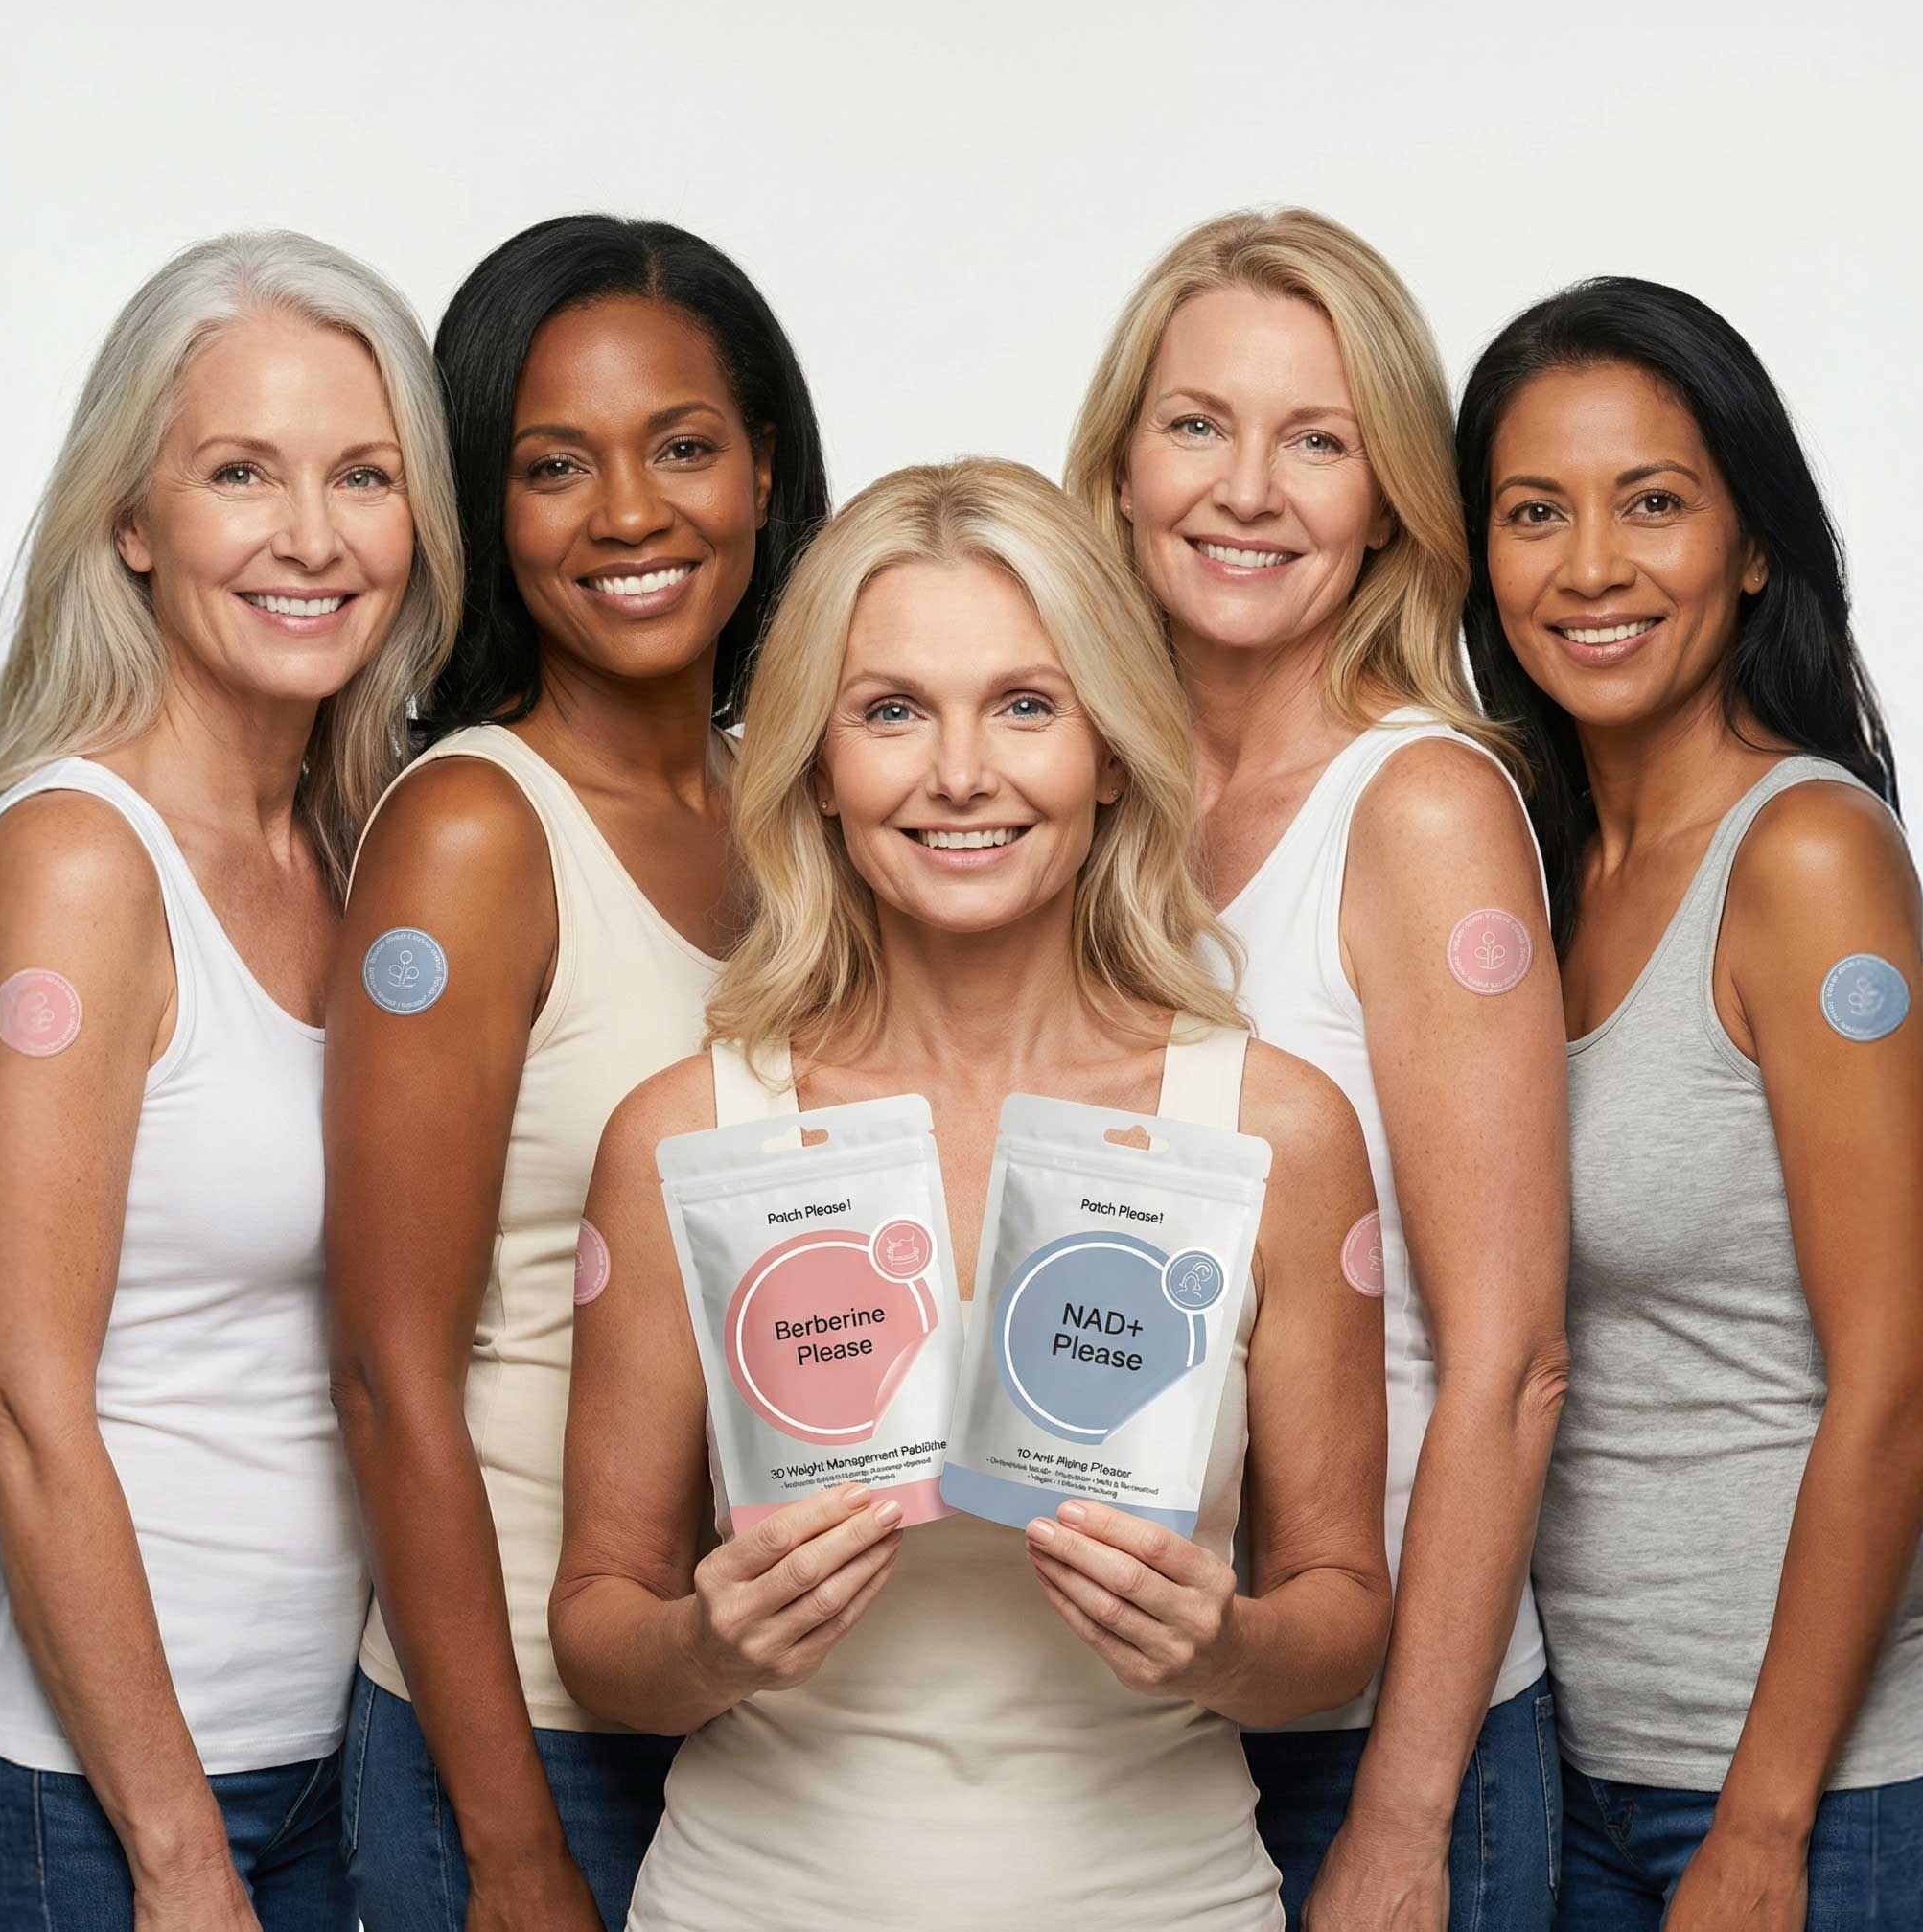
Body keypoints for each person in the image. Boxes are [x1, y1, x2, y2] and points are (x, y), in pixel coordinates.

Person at [550, 458, 1393, 1932]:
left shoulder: (1273, 1131)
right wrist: (707, 1649)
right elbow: (599, 1623)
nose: (959, 775)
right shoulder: (687, 1136)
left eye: (1025, 705)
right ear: (817, 766)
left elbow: (1342, 1612)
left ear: (1112, 749)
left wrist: (1225, 1647)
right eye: (891, 711)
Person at [0, 232, 461, 1932]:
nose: (313, 536)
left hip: (327, 1767)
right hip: (93, 1804)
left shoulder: (355, 842)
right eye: (241, 472)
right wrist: (174, 1854)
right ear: (131, 520)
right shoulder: (82, 864)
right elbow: (17, 1399)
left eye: (364, 475)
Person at [1458, 275, 1923, 1929]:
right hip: (1580, 1769)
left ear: (1751, 544)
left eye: (1653, 503)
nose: (1590, 567)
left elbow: (1900, 1393)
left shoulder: (1805, 860)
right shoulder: (1531, 863)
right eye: (1535, 511)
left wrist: (1763, 1825)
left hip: (1821, 1803)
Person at [1068, 208, 1570, 1930]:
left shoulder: (1420, 810)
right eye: (1198, 424)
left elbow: (1510, 1363)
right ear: (1121, 464)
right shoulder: (1073, 792)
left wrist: (1407, 1823)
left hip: (1386, 1735)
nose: (1247, 491)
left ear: (1390, 502)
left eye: (1318, 442)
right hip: (1128, 1715)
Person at [326, 214, 828, 1932]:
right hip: (524, 1734)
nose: (629, 514)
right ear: (486, 508)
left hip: (760, 1711)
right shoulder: (474, 834)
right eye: (555, 466)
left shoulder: (795, 806)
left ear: (764, 471)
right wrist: (509, 1844)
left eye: (682, 447)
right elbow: (387, 1373)